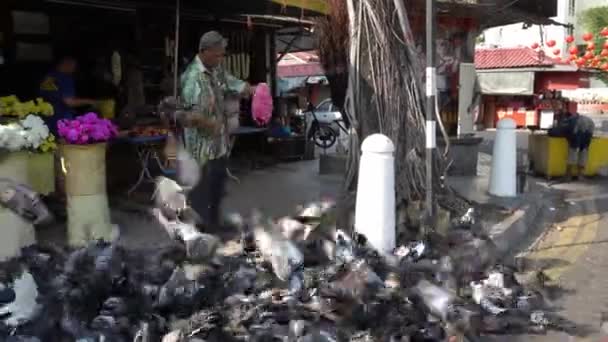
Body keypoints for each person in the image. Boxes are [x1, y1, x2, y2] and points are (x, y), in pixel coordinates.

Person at [180, 31, 253, 229]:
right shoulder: (191, 78)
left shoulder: (216, 69)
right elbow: (186, 116)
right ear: (204, 51)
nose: (220, 58)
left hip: (218, 143)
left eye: (222, 54)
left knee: (218, 185)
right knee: (202, 189)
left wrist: (247, 88)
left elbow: (229, 82)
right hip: (201, 147)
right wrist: (206, 122)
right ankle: (201, 231)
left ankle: (215, 223)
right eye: (217, 54)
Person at [39, 55, 97, 134]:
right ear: (67, 64)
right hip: (62, 120)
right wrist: (90, 102)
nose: (74, 69)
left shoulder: (49, 77)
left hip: (46, 120)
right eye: (74, 66)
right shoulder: (66, 79)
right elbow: (69, 102)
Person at [550, 110, 595, 181]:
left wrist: (550, 130)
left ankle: (568, 176)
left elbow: (557, 132)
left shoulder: (567, 121)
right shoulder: (575, 117)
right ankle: (580, 175)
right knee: (583, 151)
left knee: (573, 152)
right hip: (590, 126)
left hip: (578, 129)